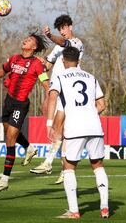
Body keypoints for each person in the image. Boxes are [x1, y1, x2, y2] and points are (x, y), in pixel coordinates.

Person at [0, 32, 50, 191]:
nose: (25, 40)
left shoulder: (36, 64)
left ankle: (4, 180)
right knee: (9, 132)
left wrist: (47, 99)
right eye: (26, 38)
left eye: (30, 40)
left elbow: (45, 82)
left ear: (34, 47)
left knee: (10, 137)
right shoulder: (14, 58)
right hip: (9, 101)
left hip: (20, 104)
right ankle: (29, 148)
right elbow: (2, 71)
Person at [47, 47, 109, 219]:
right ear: (79, 61)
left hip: (75, 128)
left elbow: (52, 98)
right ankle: (104, 207)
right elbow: (102, 105)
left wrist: (49, 123)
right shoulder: (91, 77)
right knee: (98, 166)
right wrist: (88, 113)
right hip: (95, 127)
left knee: (68, 167)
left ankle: (74, 211)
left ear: (63, 61)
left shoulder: (60, 77)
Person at [30, 14, 84, 185]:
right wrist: (33, 63)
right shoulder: (56, 48)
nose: (62, 31)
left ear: (70, 27)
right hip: (57, 90)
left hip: (69, 90)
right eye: (59, 29)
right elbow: (46, 66)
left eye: (64, 28)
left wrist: (49, 36)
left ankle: (50, 163)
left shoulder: (76, 43)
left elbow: (63, 43)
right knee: (60, 130)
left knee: (60, 128)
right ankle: (61, 168)